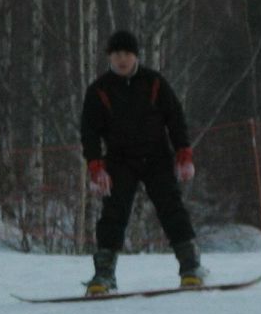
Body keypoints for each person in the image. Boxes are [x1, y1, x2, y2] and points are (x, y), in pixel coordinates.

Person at [80, 30, 207, 295]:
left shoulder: (154, 82)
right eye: (116, 54)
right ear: (109, 57)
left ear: (135, 56)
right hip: (119, 161)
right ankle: (104, 275)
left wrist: (183, 153)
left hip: (157, 158)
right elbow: (89, 131)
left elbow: (175, 118)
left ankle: (191, 268)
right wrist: (95, 166)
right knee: (113, 214)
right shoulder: (99, 90)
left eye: (126, 54)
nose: (122, 59)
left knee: (171, 208)